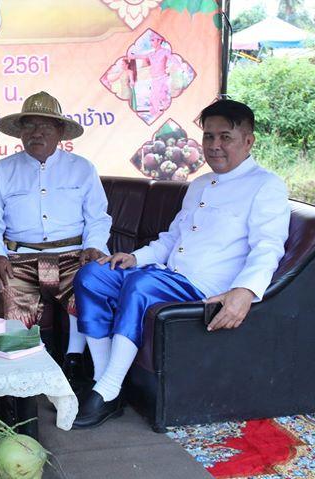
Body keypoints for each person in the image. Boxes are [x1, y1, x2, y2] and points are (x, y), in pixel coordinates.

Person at [72, 99, 291, 428]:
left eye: (225, 137)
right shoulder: (200, 184)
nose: (214, 146)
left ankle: (108, 388)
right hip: (167, 276)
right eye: (208, 136)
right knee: (93, 275)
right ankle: (104, 382)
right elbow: (173, 237)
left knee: (141, 285)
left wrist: (245, 291)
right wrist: (135, 257)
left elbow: (268, 246)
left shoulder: (266, 185)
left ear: (248, 141)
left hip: (204, 287)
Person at [0, 91, 112, 388]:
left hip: (73, 255)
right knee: (13, 313)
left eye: (45, 126)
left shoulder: (82, 168)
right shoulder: (1, 170)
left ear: (60, 131)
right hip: (19, 259)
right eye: (29, 125)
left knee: (91, 289)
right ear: (20, 132)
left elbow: (98, 217)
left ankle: (80, 365)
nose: (37, 133)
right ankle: (21, 385)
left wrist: (93, 246)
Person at [127, 33, 172, 118]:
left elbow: (174, 60)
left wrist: (179, 68)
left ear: (159, 41)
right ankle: (159, 116)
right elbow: (137, 56)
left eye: (153, 40)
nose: (151, 42)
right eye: (151, 40)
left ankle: (168, 115)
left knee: (162, 98)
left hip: (162, 79)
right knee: (154, 100)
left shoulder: (165, 52)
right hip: (154, 80)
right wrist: (128, 53)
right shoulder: (151, 54)